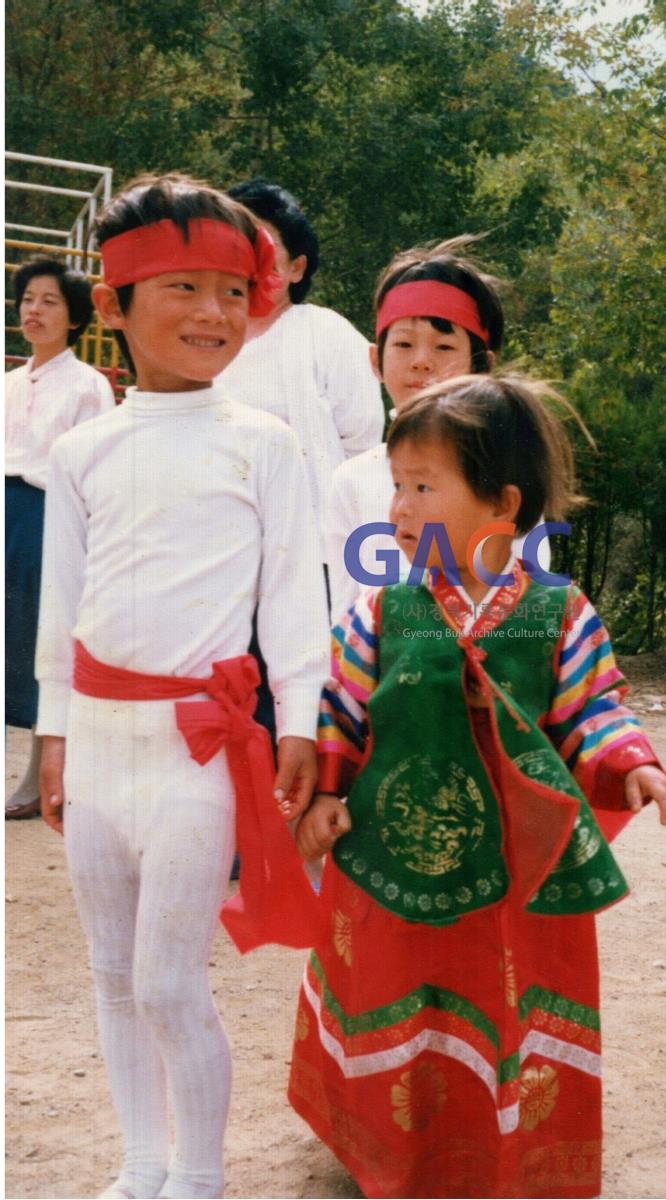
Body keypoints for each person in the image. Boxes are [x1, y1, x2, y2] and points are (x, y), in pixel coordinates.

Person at [287, 374, 666, 1199]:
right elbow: (343, 706)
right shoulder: (381, 610)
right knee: (398, 993)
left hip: (515, 868)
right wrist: (327, 791)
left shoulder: (558, 612)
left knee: (503, 997)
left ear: (502, 503)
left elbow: (591, 709)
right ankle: (394, 1158)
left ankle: (501, 1157)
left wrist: (633, 764)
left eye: (422, 487)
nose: (397, 508)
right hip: (393, 860)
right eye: (396, 486)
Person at [35, 173, 328, 1200]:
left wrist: (301, 717)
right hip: (100, 746)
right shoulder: (80, 450)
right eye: (182, 288)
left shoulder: (264, 443)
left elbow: (296, 593)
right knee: (112, 978)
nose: (213, 312)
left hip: (197, 749)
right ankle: (140, 1163)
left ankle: (197, 1178)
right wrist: (53, 736)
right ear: (112, 306)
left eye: (231, 290)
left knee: (167, 978)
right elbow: (59, 607)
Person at [325, 236, 550, 620]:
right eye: (404, 345)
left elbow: (528, 600)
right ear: (375, 361)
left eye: (444, 348)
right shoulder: (351, 480)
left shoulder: (504, 472)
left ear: (481, 365)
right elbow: (346, 614)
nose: (422, 362)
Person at [218, 177, 384, 591]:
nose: (254, 267)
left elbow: (361, 444)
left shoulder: (326, 334)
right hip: (217, 555)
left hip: (310, 558)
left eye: (267, 253)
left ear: (296, 267)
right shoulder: (204, 337)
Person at [5, 256, 114, 819]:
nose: (34, 311)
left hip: (49, 516)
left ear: (74, 317)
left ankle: (36, 773)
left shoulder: (88, 385)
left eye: (49, 302)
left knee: (38, 640)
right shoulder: (9, 382)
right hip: (5, 513)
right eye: (27, 300)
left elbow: (97, 471)